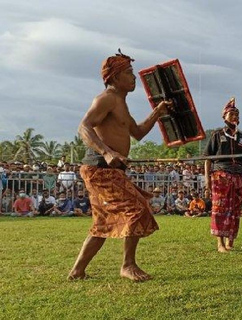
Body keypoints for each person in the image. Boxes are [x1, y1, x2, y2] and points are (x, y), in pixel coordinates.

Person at [68, 50, 173, 282]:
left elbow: (138, 133)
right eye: (128, 73)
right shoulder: (105, 99)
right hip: (99, 169)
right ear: (115, 77)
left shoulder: (121, 104)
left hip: (110, 170)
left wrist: (157, 112)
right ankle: (128, 265)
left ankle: (77, 271)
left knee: (102, 222)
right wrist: (107, 152)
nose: (133, 77)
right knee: (137, 209)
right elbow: (83, 127)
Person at [204, 98, 242, 253]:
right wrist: (207, 179)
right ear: (224, 116)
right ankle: (220, 243)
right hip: (221, 175)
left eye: (236, 114)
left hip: (239, 176)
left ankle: (230, 241)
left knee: (234, 209)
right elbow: (208, 159)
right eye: (231, 113)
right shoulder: (217, 135)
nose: (234, 116)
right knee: (219, 208)